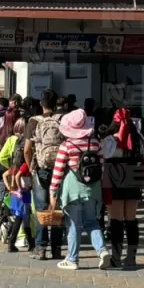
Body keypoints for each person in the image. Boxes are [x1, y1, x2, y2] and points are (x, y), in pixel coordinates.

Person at [49, 108, 111, 270]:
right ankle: (102, 251)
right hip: (93, 189)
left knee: (74, 225)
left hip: (73, 190)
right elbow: (102, 166)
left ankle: (72, 259)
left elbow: (58, 171)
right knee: (92, 222)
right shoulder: (95, 143)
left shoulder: (67, 145)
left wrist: (53, 192)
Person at [104, 108, 144, 269]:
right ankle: (131, 257)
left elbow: (103, 157)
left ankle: (115, 257)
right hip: (134, 176)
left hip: (113, 177)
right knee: (131, 220)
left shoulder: (109, 139)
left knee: (115, 221)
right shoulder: (138, 138)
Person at [24, 91, 64, 261]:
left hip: (41, 169)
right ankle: (56, 248)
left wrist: (31, 166)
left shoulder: (34, 121)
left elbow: (27, 149)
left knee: (41, 209)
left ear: (41, 103)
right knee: (57, 207)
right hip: (60, 169)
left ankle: (40, 248)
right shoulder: (62, 120)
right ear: (56, 104)